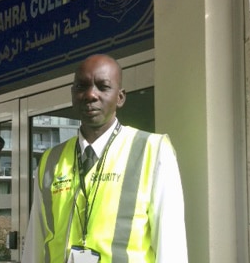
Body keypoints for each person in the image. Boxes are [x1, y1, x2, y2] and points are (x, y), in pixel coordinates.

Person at [21, 54, 187, 263]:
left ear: (120, 97)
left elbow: (171, 246)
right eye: (82, 86)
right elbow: (36, 244)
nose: (90, 94)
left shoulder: (153, 151)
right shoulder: (50, 161)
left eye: (103, 86)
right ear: (73, 94)